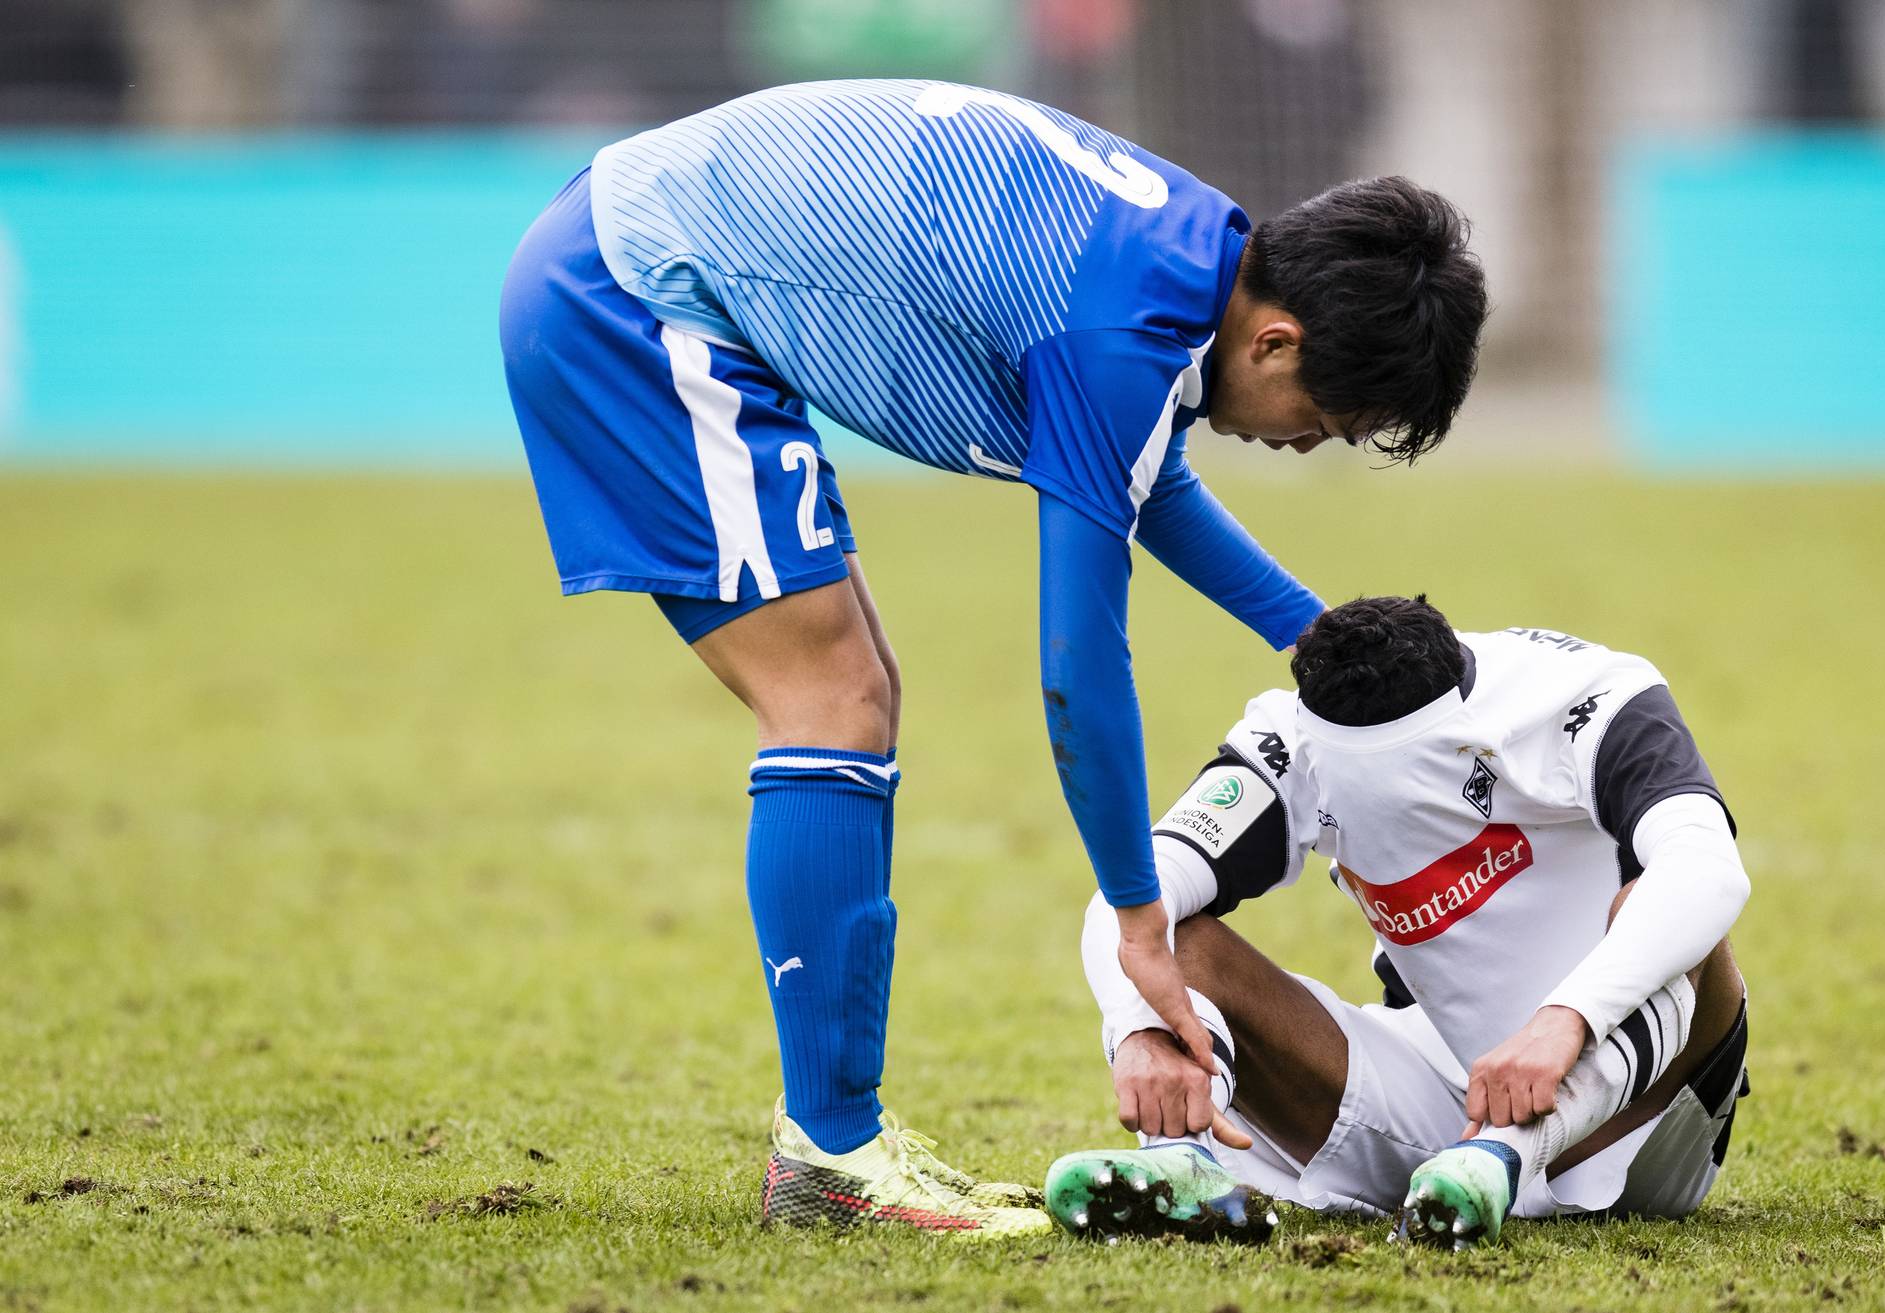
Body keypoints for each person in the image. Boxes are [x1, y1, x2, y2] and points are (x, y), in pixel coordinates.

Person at [498, 80, 1488, 1236]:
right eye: (1324, 414)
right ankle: (832, 1154)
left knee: (856, 695)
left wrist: (1318, 639)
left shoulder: (1194, 258)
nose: (1307, 440)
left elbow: (1137, 472)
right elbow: (1078, 664)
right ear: (1277, 338)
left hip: (628, 252)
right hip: (630, 297)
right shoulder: (1123, 329)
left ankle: (840, 1138)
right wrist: (1137, 917)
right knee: (831, 701)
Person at [1048, 595, 1749, 1248]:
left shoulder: (1588, 696)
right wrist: (1136, 1026)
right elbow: (1131, 897)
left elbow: (1707, 866)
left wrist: (1565, 1018)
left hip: (1639, 1117)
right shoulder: (1290, 738)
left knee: (1665, 910)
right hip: (1445, 1096)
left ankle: (1507, 1153)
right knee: (1174, 938)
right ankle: (1182, 1164)